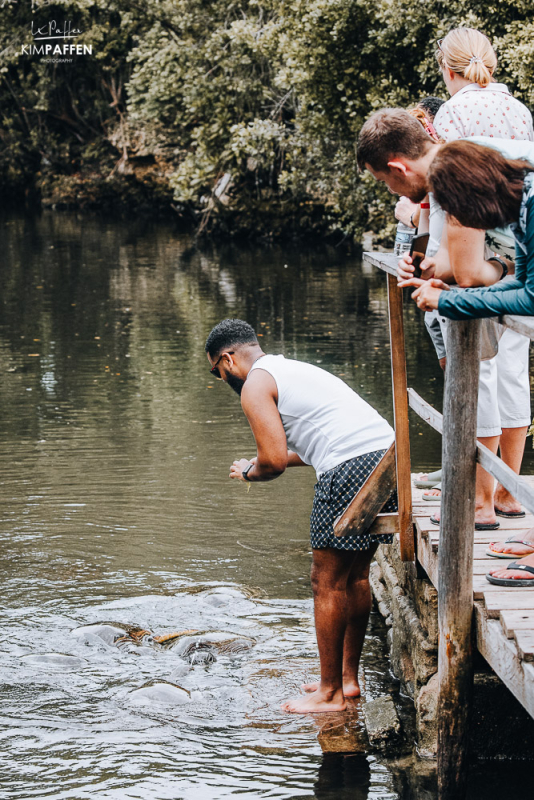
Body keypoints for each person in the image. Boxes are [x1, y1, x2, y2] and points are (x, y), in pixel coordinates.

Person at [205, 318, 397, 712]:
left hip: (351, 468)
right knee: (356, 576)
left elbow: (272, 462)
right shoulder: (289, 369)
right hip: (389, 459)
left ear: (228, 358)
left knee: (324, 582)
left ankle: (329, 696)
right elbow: (309, 447)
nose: (221, 379)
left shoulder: (256, 385)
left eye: (217, 371)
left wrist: (248, 471)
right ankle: (347, 680)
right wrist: (255, 462)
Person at [405, 28, 533, 518]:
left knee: (477, 374)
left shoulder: (454, 113)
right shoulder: (519, 109)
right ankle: (508, 493)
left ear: (446, 68)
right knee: (513, 374)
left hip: (473, 253)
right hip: (517, 249)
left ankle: (478, 501)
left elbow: (454, 194)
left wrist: (439, 260)